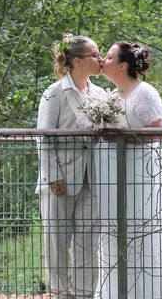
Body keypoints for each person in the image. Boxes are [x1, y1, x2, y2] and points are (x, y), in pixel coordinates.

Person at [94, 40, 162, 299]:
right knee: (116, 233)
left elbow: (160, 129)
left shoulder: (143, 92)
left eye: (109, 57)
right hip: (114, 177)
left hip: (141, 174)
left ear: (123, 65)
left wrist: (123, 137)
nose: (103, 60)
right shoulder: (112, 96)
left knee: (144, 232)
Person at [36, 34, 103, 299]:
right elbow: (43, 136)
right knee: (57, 242)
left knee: (89, 244)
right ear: (76, 61)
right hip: (59, 180)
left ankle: (86, 295)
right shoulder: (54, 93)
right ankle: (62, 294)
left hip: (92, 179)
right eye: (94, 56)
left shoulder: (99, 94)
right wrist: (53, 175)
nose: (99, 60)